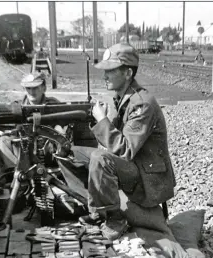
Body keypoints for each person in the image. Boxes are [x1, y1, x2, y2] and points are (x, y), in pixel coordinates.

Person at [58, 42, 176, 240]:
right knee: (69, 152)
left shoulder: (142, 103)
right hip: (134, 167)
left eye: (110, 71)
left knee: (99, 158)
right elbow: (114, 142)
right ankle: (98, 211)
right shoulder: (122, 99)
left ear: (128, 73)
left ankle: (115, 219)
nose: (104, 76)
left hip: (146, 177)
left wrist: (102, 120)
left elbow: (125, 149)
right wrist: (98, 120)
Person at [0, 72, 61, 168]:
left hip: (47, 148)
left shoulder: (53, 104)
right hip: (24, 147)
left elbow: (62, 125)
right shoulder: (17, 106)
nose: (31, 92)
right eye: (28, 88)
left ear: (44, 88)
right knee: (2, 142)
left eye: (35, 88)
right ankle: (18, 171)